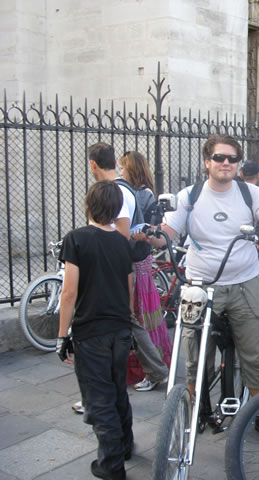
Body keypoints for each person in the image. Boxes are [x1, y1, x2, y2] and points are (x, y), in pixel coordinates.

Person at [157, 134, 259, 445]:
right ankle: (198, 407)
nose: (225, 163)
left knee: (255, 356)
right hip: (201, 285)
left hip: (245, 283)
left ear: (238, 163)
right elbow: (167, 231)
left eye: (232, 158)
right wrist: (150, 235)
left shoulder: (249, 192)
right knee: (196, 356)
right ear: (207, 162)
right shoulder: (190, 195)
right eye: (219, 157)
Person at [56, 180, 134, 480]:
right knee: (117, 391)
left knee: (99, 398)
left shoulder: (76, 239)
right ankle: (124, 444)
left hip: (92, 332)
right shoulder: (121, 242)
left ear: (88, 204)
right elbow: (129, 289)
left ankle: (112, 464)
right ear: (116, 210)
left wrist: (63, 335)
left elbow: (68, 292)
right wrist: (128, 324)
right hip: (119, 329)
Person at [87, 143, 169, 395]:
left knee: (132, 318)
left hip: (123, 265)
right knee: (130, 319)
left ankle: (152, 370)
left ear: (93, 165)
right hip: (124, 263)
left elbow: (121, 233)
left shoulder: (118, 192)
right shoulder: (122, 190)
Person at [118, 152, 173, 391]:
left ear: (131, 169)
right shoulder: (130, 191)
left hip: (137, 259)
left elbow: (152, 229)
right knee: (139, 317)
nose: (120, 172)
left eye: (123, 167)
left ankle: (152, 369)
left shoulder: (143, 194)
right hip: (132, 257)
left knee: (142, 317)